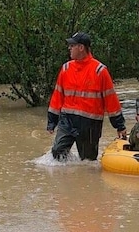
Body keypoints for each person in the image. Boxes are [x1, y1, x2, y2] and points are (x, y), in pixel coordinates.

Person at [47, 32, 127, 161]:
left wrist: (120, 126)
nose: (69, 48)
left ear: (81, 47)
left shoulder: (100, 71)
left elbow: (111, 101)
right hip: (67, 120)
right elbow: (57, 96)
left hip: (89, 124)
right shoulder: (66, 68)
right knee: (57, 153)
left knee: (88, 162)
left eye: (72, 45)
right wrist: (52, 121)